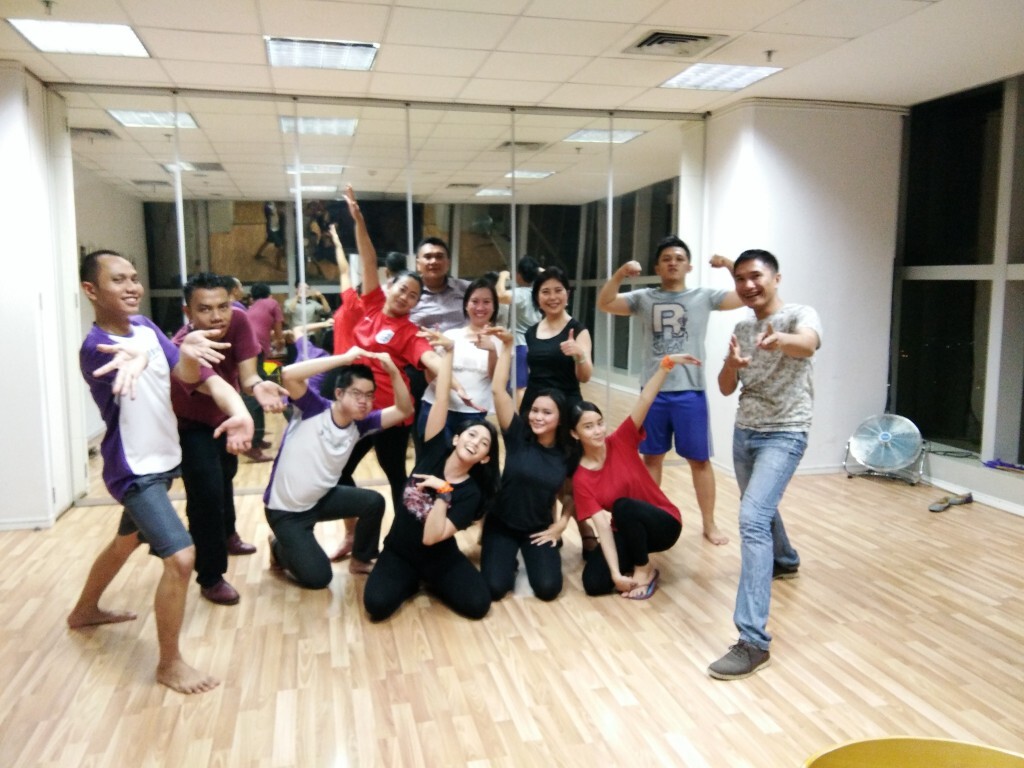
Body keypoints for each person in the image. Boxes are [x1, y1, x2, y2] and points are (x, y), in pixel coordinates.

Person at [69, 250, 249, 694]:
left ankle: (84, 611)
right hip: (134, 472)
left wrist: (239, 410)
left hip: (162, 461)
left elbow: (194, 377)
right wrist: (143, 359)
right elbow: (126, 361)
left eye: (133, 277)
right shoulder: (95, 347)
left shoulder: (147, 328)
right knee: (181, 558)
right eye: (118, 279)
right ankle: (169, 664)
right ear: (91, 290)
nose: (132, 286)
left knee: (125, 541)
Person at [330, 186, 477, 561]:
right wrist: (358, 220)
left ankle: (404, 541)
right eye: (403, 289)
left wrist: (456, 383)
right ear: (390, 285)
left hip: (391, 417)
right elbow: (367, 259)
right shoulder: (371, 304)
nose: (406, 297)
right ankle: (353, 536)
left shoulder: (410, 332)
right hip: (358, 412)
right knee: (339, 472)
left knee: (398, 478)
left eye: (413, 295)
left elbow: (431, 361)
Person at [706, 249, 823, 681]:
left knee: (752, 519)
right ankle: (785, 559)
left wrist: (781, 341)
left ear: (775, 278)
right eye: (740, 279)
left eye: (755, 276)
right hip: (746, 433)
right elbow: (725, 387)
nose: (747, 285)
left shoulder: (799, 315)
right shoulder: (741, 326)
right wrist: (730, 364)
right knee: (760, 508)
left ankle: (753, 641)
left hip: (785, 432)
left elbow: (808, 344)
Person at [597, 236, 743, 546]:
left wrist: (729, 264)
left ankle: (709, 523)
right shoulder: (644, 298)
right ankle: (651, 519)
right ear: (657, 267)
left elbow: (743, 295)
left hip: (691, 392)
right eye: (666, 259)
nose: (672, 263)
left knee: (699, 461)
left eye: (679, 258)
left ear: (689, 266)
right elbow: (605, 302)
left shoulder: (703, 296)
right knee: (652, 458)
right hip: (653, 393)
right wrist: (621, 273)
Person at [363, 330, 499, 621]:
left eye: (483, 443)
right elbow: (441, 397)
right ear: (456, 438)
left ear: (485, 457)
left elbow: (431, 538)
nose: (475, 442)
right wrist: (448, 353)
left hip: (438, 555)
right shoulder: (435, 449)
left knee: (479, 605)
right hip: (399, 551)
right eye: (471, 434)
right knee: (376, 605)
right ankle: (412, 580)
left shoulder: (471, 493)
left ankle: (429, 579)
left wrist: (444, 493)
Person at [171, 273, 288, 606]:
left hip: (228, 417)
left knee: (225, 478)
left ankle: (228, 535)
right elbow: (215, 387)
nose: (217, 316)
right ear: (188, 312)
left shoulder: (238, 320)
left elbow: (248, 375)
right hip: (192, 423)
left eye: (223, 306)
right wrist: (243, 406)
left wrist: (258, 385)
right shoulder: (182, 346)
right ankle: (210, 577)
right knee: (205, 495)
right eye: (205, 309)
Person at [265, 348, 413, 588]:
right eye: (356, 393)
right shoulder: (314, 408)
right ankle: (277, 545)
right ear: (339, 393)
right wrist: (345, 358)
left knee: (373, 502)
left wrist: (394, 373)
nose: (364, 401)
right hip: (286, 512)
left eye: (369, 395)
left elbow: (404, 411)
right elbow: (288, 374)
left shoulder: (361, 425)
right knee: (319, 578)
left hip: (320, 500)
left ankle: (361, 559)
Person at [570, 353, 701, 600]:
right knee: (594, 583)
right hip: (627, 531)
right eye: (588, 427)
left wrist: (666, 365)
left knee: (623, 506)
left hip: (664, 524)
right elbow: (603, 529)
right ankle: (633, 562)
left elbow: (645, 399)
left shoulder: (621, 439)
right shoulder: (581, 478)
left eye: (599, 423)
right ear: (575, 434)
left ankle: (644, 568)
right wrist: (615, 574)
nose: (597, 431)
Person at [480, 326, 573, 602]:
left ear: (560, 418)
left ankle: (524, 555)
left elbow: (570, 495)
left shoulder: (567, 452)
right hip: (502, 524)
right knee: (495, 589)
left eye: (547, 412)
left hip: (538, 528)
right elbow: (498, 390)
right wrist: (507, 347)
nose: (538, 417)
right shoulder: (518, 434)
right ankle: (505, 557)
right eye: (534, 410)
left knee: (548, 589)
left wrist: (561, 525)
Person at [417, 277, 500, 442]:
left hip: (473, 414)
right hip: (435, 406)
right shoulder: (450, 336)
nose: (480, 307)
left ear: (494, 306)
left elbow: (495, 380)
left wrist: (492, 350)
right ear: (466, 305)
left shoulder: (501, 341)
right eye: (474, 301)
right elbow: (431, 375)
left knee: (467, 457)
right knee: (429, 456)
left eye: (486, 302)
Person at [520, 266, 593, 419]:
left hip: (566, 407)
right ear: (537, 298)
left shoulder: (578, 331)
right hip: (535, 406)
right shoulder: (530, 333)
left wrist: (579, 355)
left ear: (567, 294)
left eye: (558, 290)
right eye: (546, 292)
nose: (552, 297)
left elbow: (585, 377)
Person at [245, 282, 285, 459]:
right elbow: (278, 331)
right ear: (269, 294)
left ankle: (258, 438)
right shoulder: (272, 303)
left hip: (249, 350)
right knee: (254, 394)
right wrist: (281, 341)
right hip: (256, 351)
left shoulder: (252, 307)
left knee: (255, 393)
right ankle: (252, 444)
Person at [496, 257, 542, 406]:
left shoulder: (521, 293)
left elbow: (500, 295)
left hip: (520, 346)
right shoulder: (539, 293)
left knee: (519, 388)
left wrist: (503, 276)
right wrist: (538, 271)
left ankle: (523, 418)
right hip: (535, 345)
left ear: (519, 275)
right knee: (531, 386)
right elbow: (550, 274)